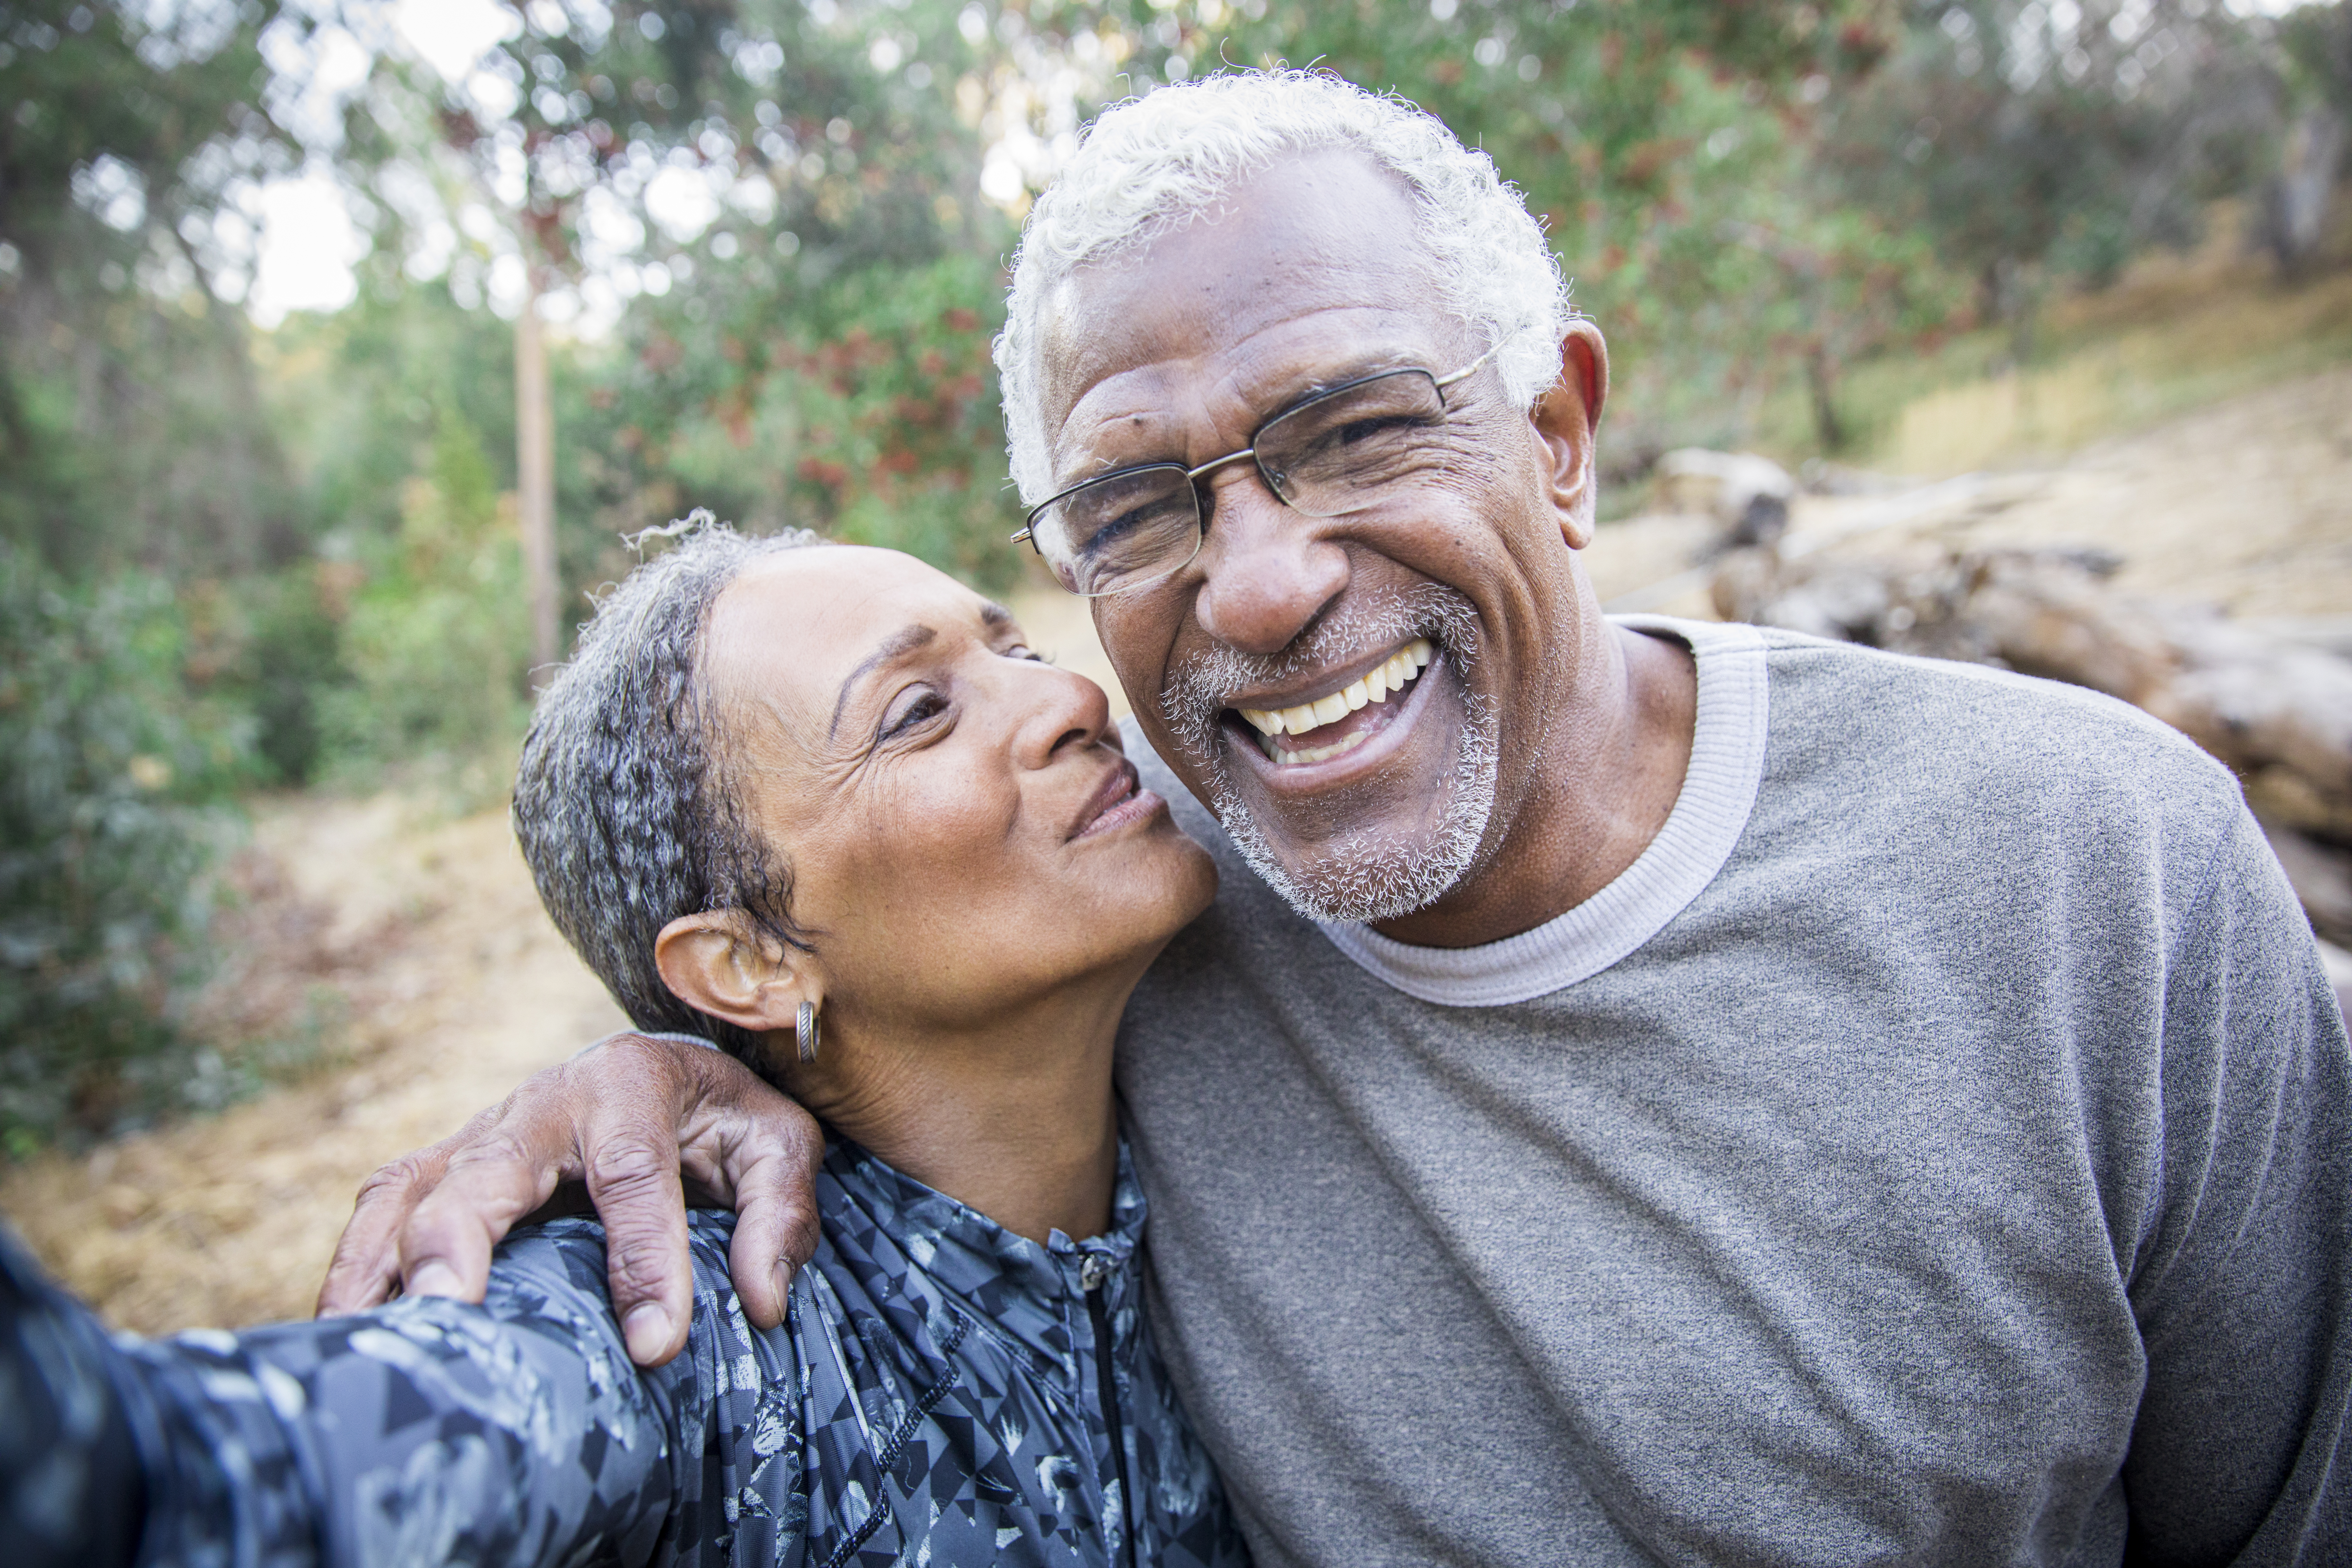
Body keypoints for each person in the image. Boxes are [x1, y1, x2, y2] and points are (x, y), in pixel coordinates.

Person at [323, 72, 2352, 1564]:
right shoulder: (1139, 939)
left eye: (1361, 428)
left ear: (1558, 433)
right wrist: (654, 1077)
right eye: (1136, 507)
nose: (1265, 583)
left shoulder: (2096, 874)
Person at [2, 524, 1247, 1568]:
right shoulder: (687, 1330)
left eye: (1016, 645)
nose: (1070, 697)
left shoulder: (1251, 997)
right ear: (751, 964)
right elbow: (176, 1485)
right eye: (919, 712)